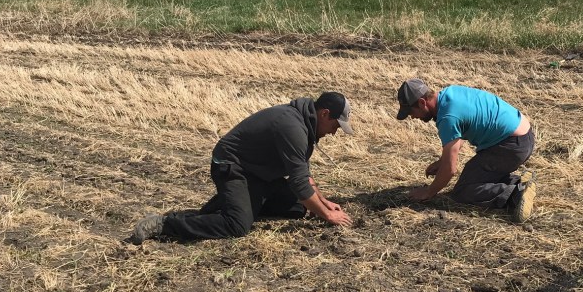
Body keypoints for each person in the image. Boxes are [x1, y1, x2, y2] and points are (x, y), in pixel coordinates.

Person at [131, 92, 353, 244]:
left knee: (298, 208)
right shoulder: (293, 127)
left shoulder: (306, 124)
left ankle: (233, 204)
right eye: (335, 125)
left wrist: (323, 203)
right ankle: (166, 224)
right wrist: (327, 216)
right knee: (236, 226)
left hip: (258, 173)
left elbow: (303, 174)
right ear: (324, 114)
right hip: (232, 166)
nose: (334, 132)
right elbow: (298, 182)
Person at [395, 78, 536, 222]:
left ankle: (515, 194)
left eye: (411, 111)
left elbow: (450, 169)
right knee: (474, 174)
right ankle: (520, 183)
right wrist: (442, 162)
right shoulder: (451, 93)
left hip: (511, 146)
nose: (412, 117)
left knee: (464, 191)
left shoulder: (447, 117)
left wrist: (428, 192)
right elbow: (459, 136)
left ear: (422, 103)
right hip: (524, 136)